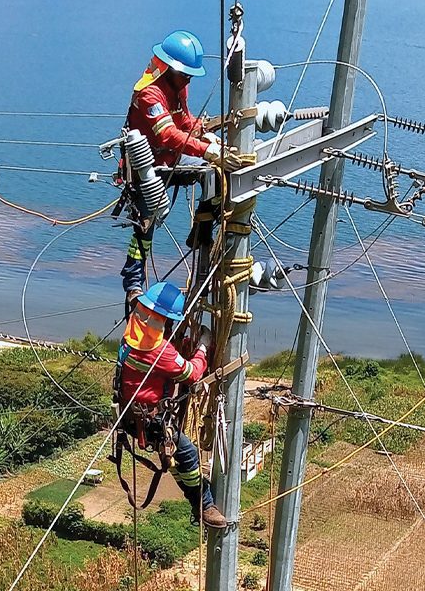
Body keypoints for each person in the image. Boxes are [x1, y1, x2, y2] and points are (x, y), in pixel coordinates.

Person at [120, 30, 230, 309]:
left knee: (216, 177)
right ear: (169, 68)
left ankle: (202, 230)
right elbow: (166, 134)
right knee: (144, 228)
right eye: (185, 74)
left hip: (172, 160)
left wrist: (204, 135)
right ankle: (133, 285)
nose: (189, 79)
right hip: (147, 168)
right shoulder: (149, 94)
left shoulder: (178, 85)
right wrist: (204, 149)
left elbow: (183, 120)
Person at [116, 281, 228, 528]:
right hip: (151, 422)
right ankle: (204, 505)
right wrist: (203, 347)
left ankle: (194, 494)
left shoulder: (131, 334)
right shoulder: (158, 352)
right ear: (166, 321)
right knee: (187, 455)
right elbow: (192, 373)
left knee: (176, 458)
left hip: (132, 417)